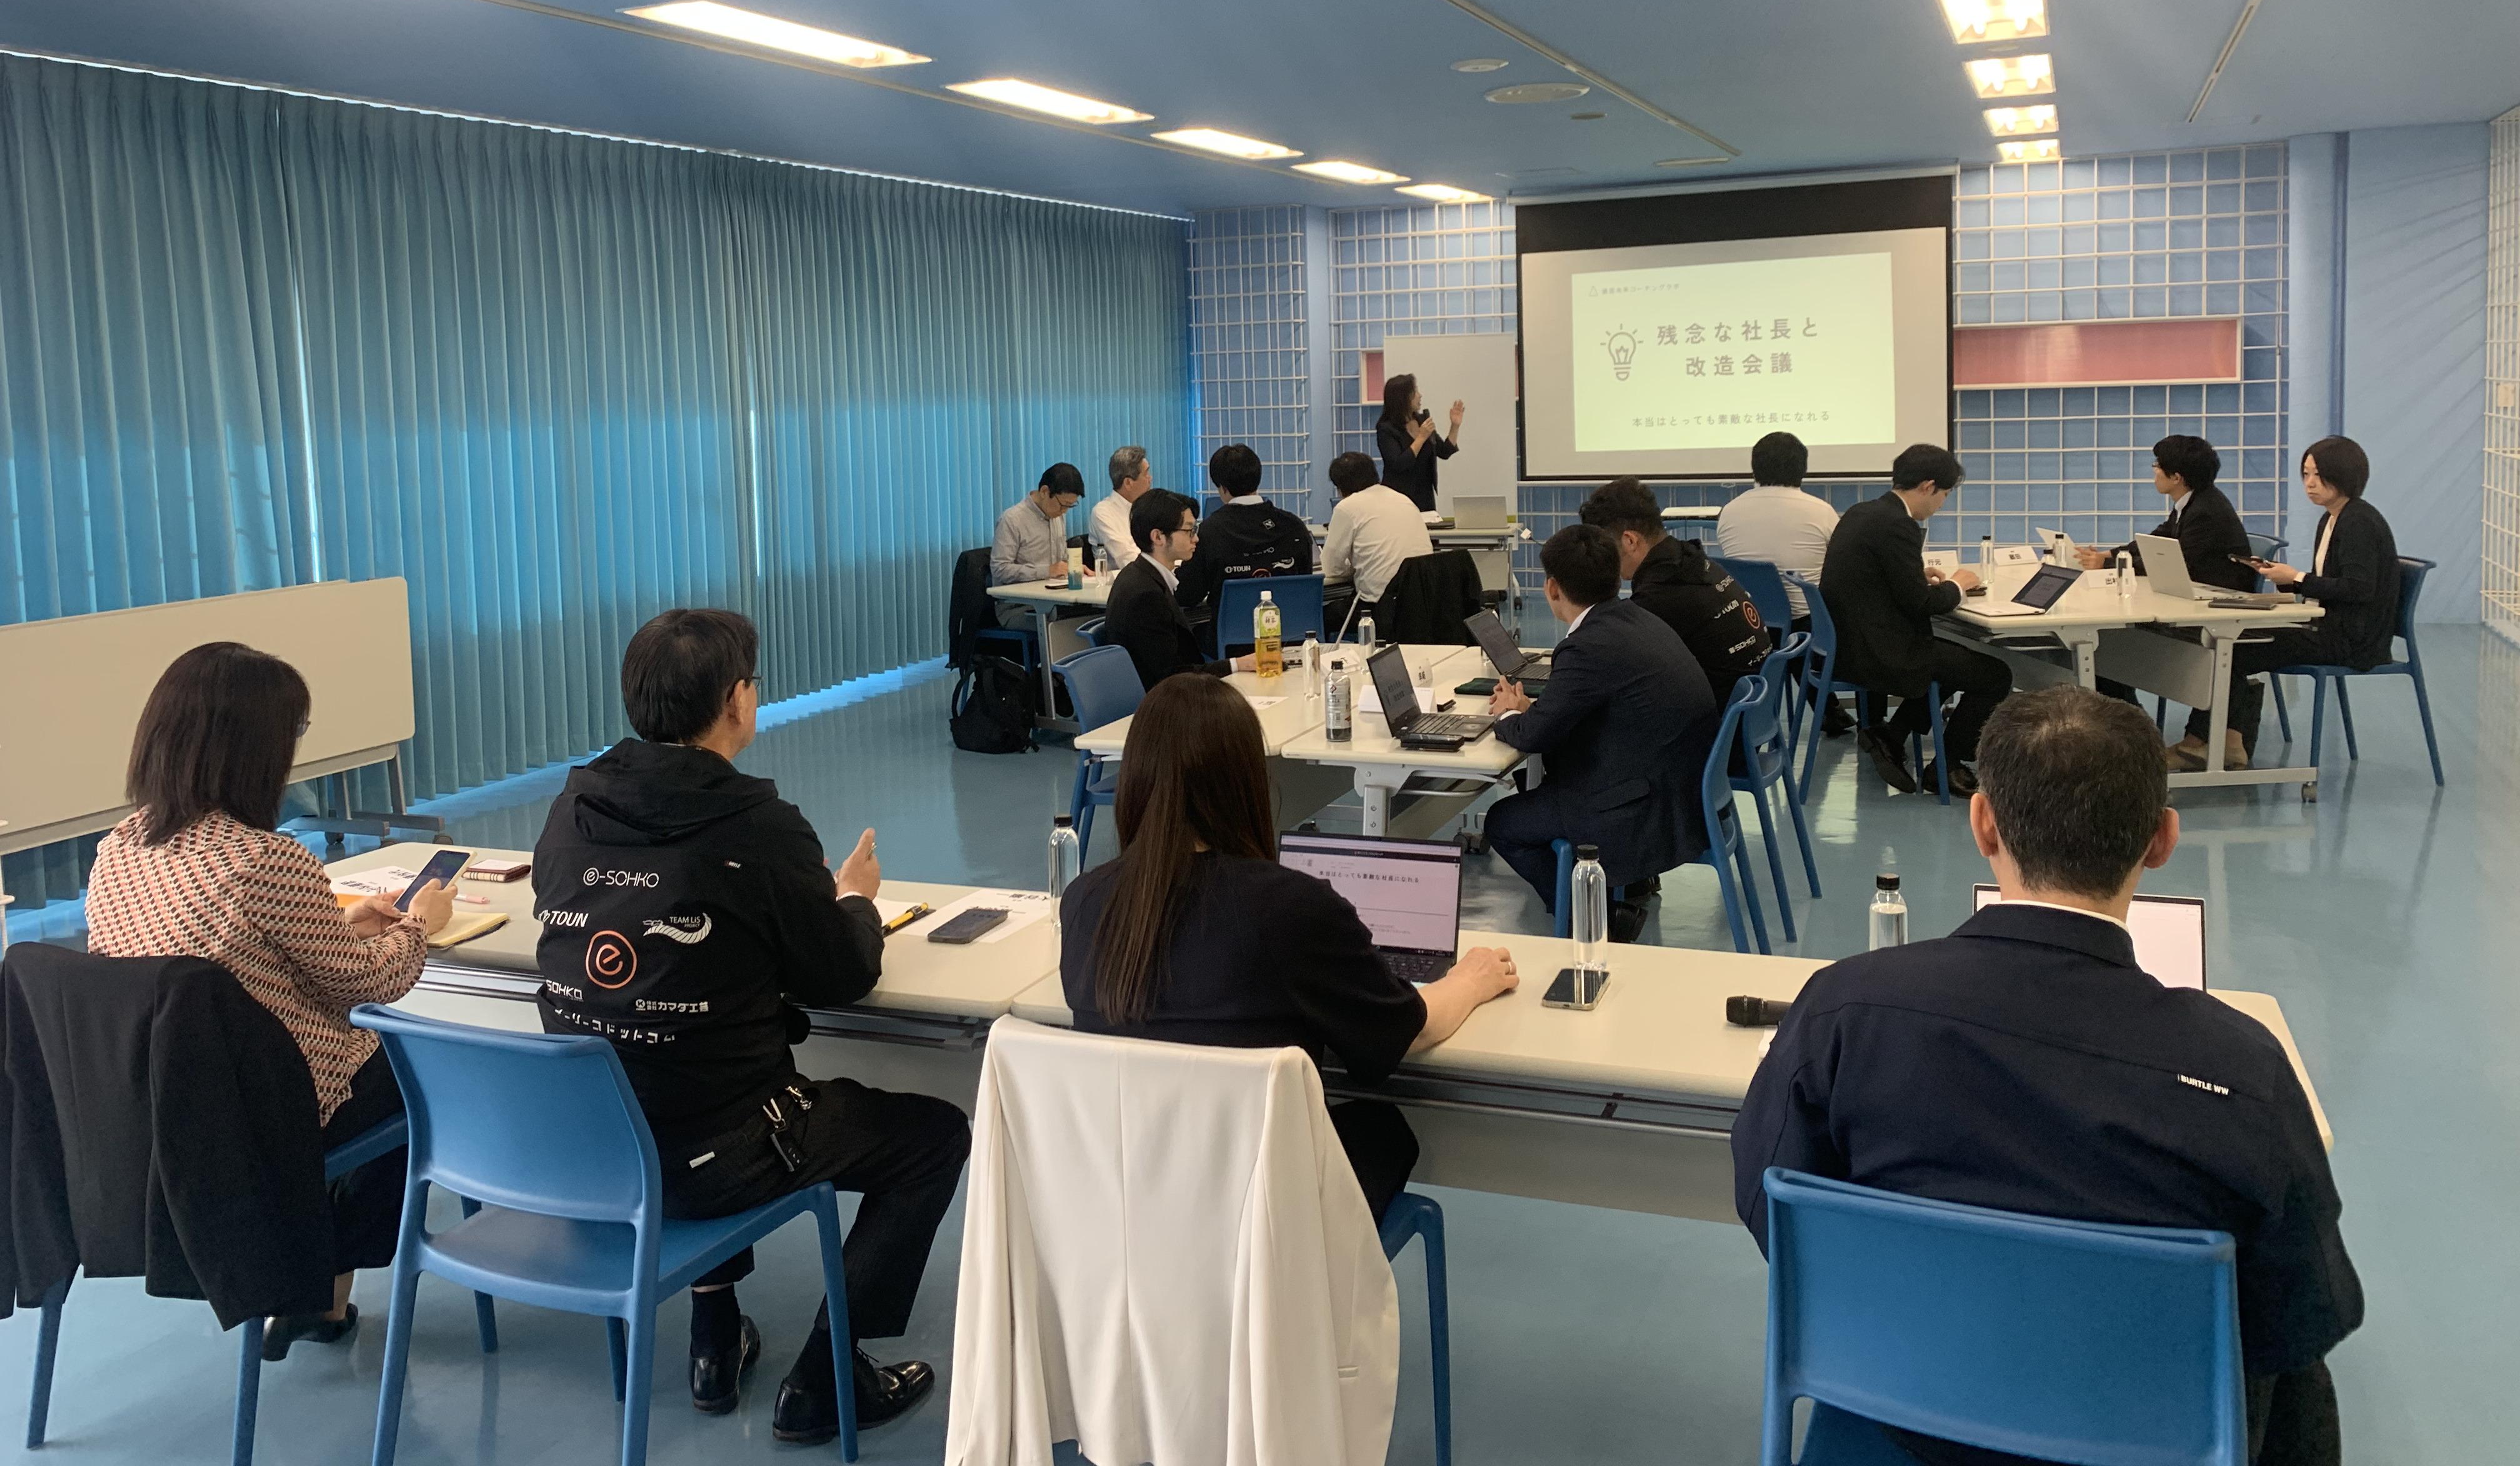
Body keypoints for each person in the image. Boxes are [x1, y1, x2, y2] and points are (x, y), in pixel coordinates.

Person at [1732, 687, 2359, 1466]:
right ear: (2162, 840)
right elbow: (2301, 1315)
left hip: (1906, 1411)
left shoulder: (1844, 1011)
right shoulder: (2243, 1072)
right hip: (2141, 1435)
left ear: (1983, 822)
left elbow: (1776, 1212)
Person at [533, 610, 971, 1439]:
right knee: (933, 1138)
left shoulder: (573, 808)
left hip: (598, 1146)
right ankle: (827, 1381)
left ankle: (714, 1334)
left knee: (672, 1063)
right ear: (737, 701)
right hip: (720, 1149)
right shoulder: (758, 827)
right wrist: (853, 901)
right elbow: (841, 975)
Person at [84, 641, 454, 1360]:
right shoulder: (264, 859)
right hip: (260, 1117)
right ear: (256, 748)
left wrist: (341, 925)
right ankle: (320, 1291)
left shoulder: (117, 850)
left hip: (157, 1117)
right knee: (418, 1077)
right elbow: (373, 984)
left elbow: (210, 965)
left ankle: (316, 1293)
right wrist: (420, 926)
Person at [1062, 673, 1518, 1221]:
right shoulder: (1291, 908)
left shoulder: (1085, 901)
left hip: (1129, 1208)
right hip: (1262, 1219)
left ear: (1135, 778)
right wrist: (1470, 980)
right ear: (1248, 780)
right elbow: (1409, 1029)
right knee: (1382, 1129)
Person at [1482, 525, 1719, 941]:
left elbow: (1535, 737)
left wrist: (1507, 716)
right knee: (1532, 785)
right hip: (1682, 791)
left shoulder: (1587, 646)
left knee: (1503, 822)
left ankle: (1593, 918)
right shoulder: (1638, 618)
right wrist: (1531, 711)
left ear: (1552, 588)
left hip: (1642, 806)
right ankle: (1603, 900)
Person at [1819, 443, 2008, 796]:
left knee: (1951, 664)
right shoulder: (1899, 524)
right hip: (1878, 652)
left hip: (1847, 644)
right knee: (1995, 675)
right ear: (1927, 486)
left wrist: (1913, 575)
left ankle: (1891, 736)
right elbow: (1921, 604)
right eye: (1944, 495)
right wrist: (1958, 585)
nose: (1942, 505)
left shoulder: (1863, 512)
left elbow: (1871, 577)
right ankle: (1946, 766)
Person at [2221, 436, 2402, 770]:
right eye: (2306, 474)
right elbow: (2331, 586)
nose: (2310, 483)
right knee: (2234, 639)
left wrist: (2299, 578)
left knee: (2233, 647)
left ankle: (2228, 741)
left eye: (2319, 474)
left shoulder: (2358, 521)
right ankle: (2226, 739)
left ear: (2344, 474)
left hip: (2353, 641)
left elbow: (2359, 589)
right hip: (2331, 627)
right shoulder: (2332, 518)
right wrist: (2289, 582)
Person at [2081, 434, 2256, 768]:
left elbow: (2173, 562)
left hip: (2214, 609)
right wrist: (2108, 555)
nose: (2154, 471)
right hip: (2192, 602)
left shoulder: (2206, 512)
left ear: (2177, 477)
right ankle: (2138, 726)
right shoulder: (2190, 503)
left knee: (2125, 641)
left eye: (2158, 466)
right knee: (2117, 641)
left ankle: (2192, 738)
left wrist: (2109, 563)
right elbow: (2153, 541)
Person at [1579, 475, 1766, 692]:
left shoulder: (1660, 595)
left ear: (1630, 541)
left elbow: (1614, 670)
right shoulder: (1692, 561)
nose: (1605, 560)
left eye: (1605, 549)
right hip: (1751, 698)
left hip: (1721, 707)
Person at [1103, 489, 1265, 691]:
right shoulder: (1145, 595)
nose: (1196, 539)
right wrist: (1238, 664)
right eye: (1189, 530)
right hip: (1166, 699)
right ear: (1158, 537)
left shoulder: (1141, 575)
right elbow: (1172, 675)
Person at [1715, 431, 1842, 622]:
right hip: (1808, 626)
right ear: (1803, 469)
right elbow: (1840, 566)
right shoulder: (1822, 512)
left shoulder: (1729, 512)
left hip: (1749, 623)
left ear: (1754, 468)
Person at [1174, 443, 1313, 612]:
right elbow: (1305, 585)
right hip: (1290, 626)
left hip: (1231, 628)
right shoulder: (1294, 526)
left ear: (1222, 488)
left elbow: (1187, 595)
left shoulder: (1211, 531)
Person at [1320, 450, 1436, 623]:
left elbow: (1331, 568)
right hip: (1422, 601)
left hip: (1380, 606)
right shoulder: (1403, 499)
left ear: (1340, 487)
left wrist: (1353, 567)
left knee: (1322, 614)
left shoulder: (1347, 507)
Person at [1374, 373, 1461, 513]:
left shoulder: (1422, 420)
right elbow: (1398, 464)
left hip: (1425, 495)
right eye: (1415, 392)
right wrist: (1421, 438)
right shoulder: (1386, 429)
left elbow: (1444, 451)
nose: (1420, 396)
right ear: (1403, 398)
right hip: (1399, 497)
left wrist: (1455, 426)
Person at [992, 463, 1086, 585]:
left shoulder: (1057, 515)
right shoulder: (1012, 520)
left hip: (1055, 589)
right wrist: (1047, 571)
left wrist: (1073, 567)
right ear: (1044, 492)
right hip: (1021, 595)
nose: (1065, 511)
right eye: (1063, 505)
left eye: (1070, 506)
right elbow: (1000, 570)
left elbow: (1060, 562)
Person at [1089, 445, 1153, 572]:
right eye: (1146, 474)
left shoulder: (1147, 507)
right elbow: (1128, 558)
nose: (1150, 479)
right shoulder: (1103, 512)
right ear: (1128, 483)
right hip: (1125, 581)